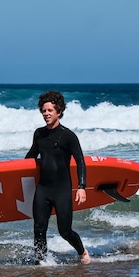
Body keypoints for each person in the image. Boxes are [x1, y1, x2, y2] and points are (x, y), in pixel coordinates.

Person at [25, 90, 91, 265]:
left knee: (65, 231)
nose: (46, 114)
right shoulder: (39, 134)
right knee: (39, 228)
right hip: (43, 189)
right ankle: (41, 262)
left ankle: (82, 252)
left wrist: (82, 187)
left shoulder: (68, 136)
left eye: (50, 111)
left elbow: (80, 161)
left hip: (61, 190)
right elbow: (31, 156)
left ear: (59, 112)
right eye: (43, 111)